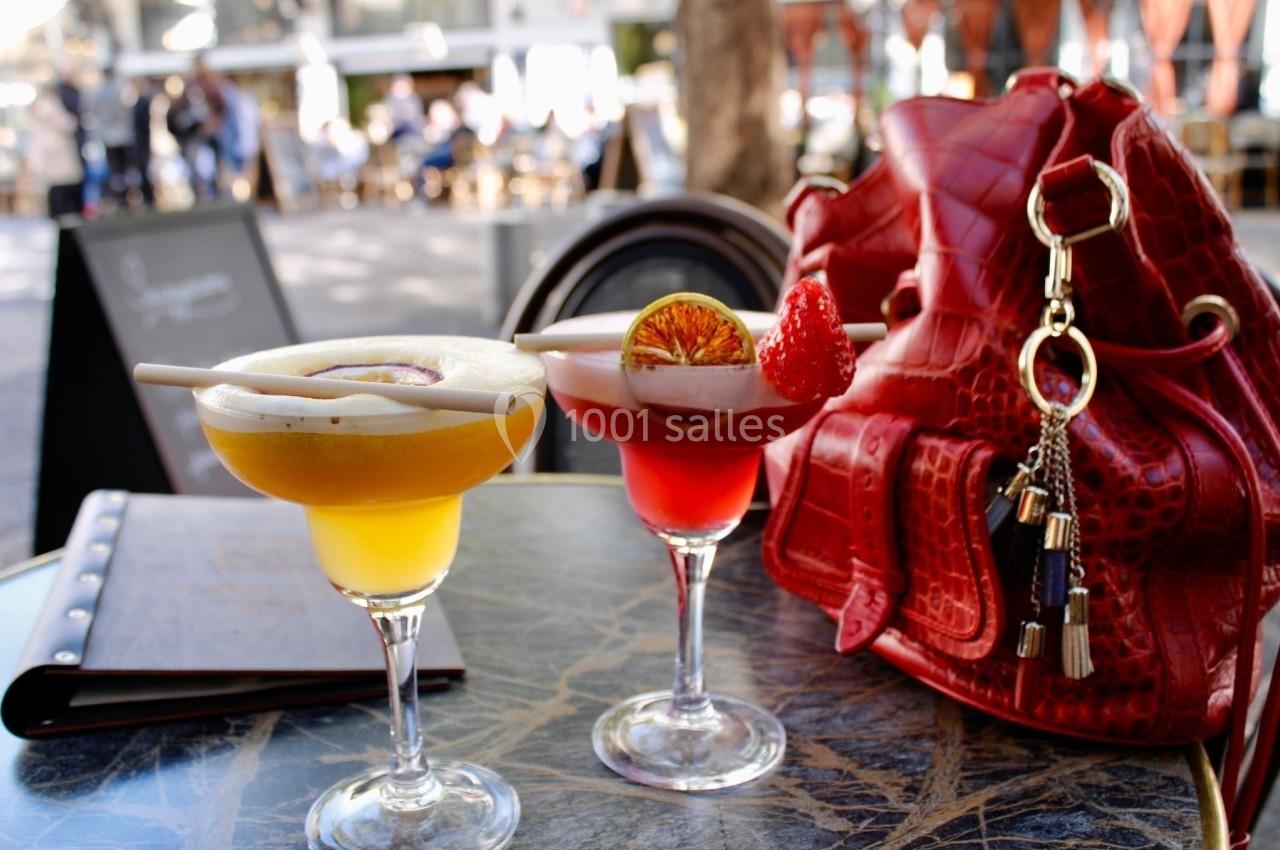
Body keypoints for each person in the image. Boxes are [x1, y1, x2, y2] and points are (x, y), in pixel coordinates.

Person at [28, 85, 84, 219]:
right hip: (57, 150)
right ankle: (63, 214)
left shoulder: (39, 107)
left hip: (49, 151)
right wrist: (73, 121)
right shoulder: (51, 106)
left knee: (55, 185)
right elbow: (65, 124)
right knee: (61, 185)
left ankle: (58, 214)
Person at [89, 65, 135, 207]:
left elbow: (94, 113)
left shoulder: (100, 93)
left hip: (109, 136)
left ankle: (118, 195)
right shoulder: (119, 91)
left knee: (114, 168)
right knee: (122, 167)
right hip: (121, 135)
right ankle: (123, 195)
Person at [131, 77, 155, 208]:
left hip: (143, 140)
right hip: (140, 140)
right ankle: (147, 196)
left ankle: (149, 196)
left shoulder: (143, 102)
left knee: (145, 168)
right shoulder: (139, 102)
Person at [383, 74, 424, 141]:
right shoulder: (390, 99)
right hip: (395, 131)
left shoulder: (413, 98)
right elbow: (387, 116)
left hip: (412, 130)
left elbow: (417, 117)